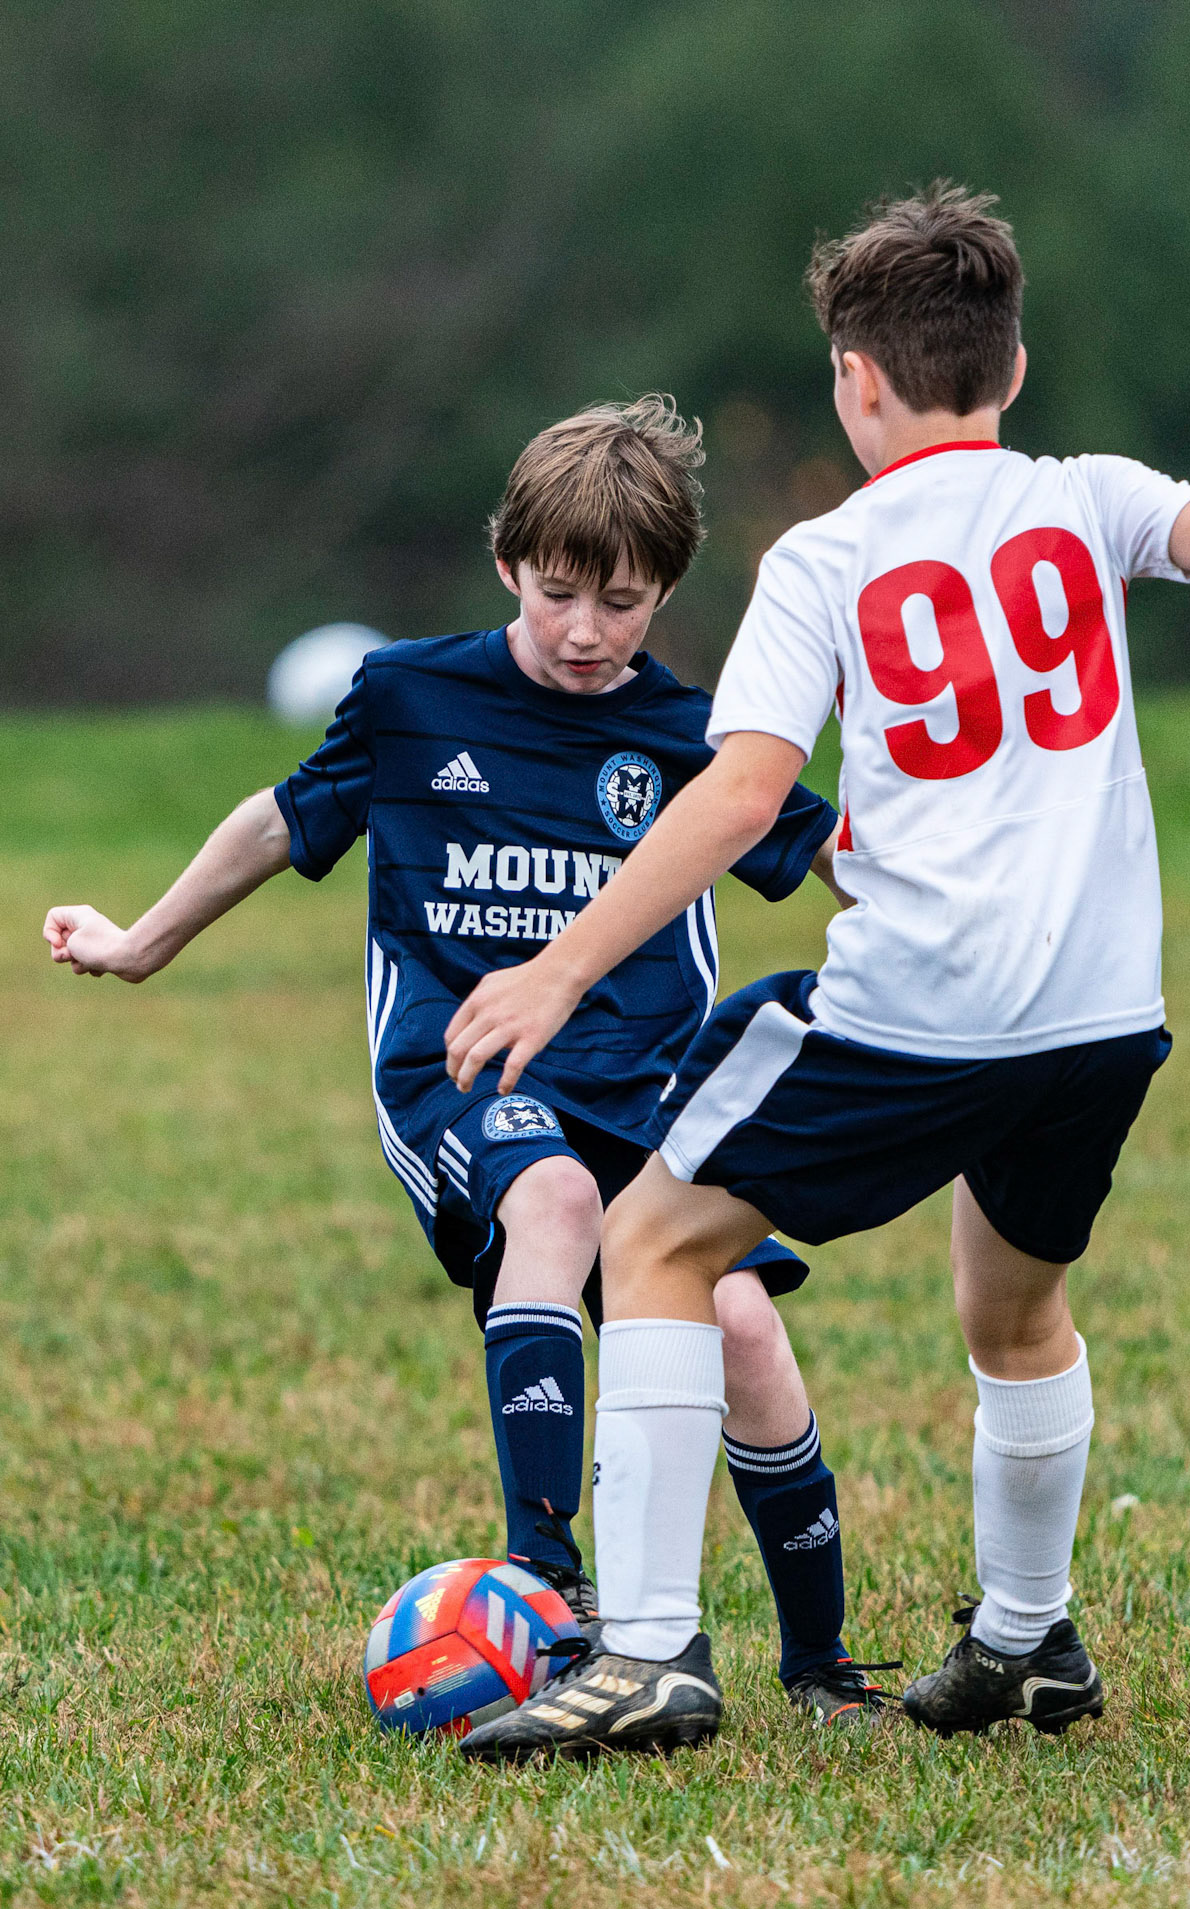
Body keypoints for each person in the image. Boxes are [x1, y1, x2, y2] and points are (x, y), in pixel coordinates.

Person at [442, 186, 1190, 1762]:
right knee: (1012, 1310)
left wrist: (562, 968)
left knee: (656, 1237)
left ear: (853, 383)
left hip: (918, 1008)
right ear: (1009, 370)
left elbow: (738, 794)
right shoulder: (1087, 494)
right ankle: (1025, 1638)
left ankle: (651, 1651)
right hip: (1099, 1015)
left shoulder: (825, 556)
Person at [41, 398, 907, 1726]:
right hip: (463, 1074)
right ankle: (545, 1586)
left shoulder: (696, 737)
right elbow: (279, 821)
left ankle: (820, 1669)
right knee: (552, 1203)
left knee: (738, 1322)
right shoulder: (409, 696)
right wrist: (141, 941)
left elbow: (833, 857)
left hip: (647, 1086)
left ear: (664, 592)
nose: (580, 631)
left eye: (619, 603)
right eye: (557, 592)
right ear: (507, 562)